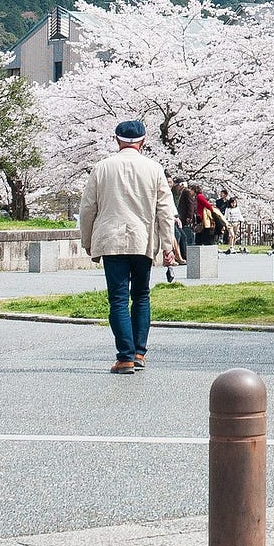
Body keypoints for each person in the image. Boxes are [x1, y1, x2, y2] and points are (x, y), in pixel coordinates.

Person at [79, 120, 176, 374]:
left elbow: (88, 208)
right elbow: (165, 210)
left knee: (118, 300)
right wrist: (168, 246)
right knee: (141, 296)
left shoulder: (102, 167)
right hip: (142, 239)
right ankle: (139, 353)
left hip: (110, 240)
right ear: (143, 142)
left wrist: (87, 241)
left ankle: (124, 358)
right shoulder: (155, 169)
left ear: (117, 140)